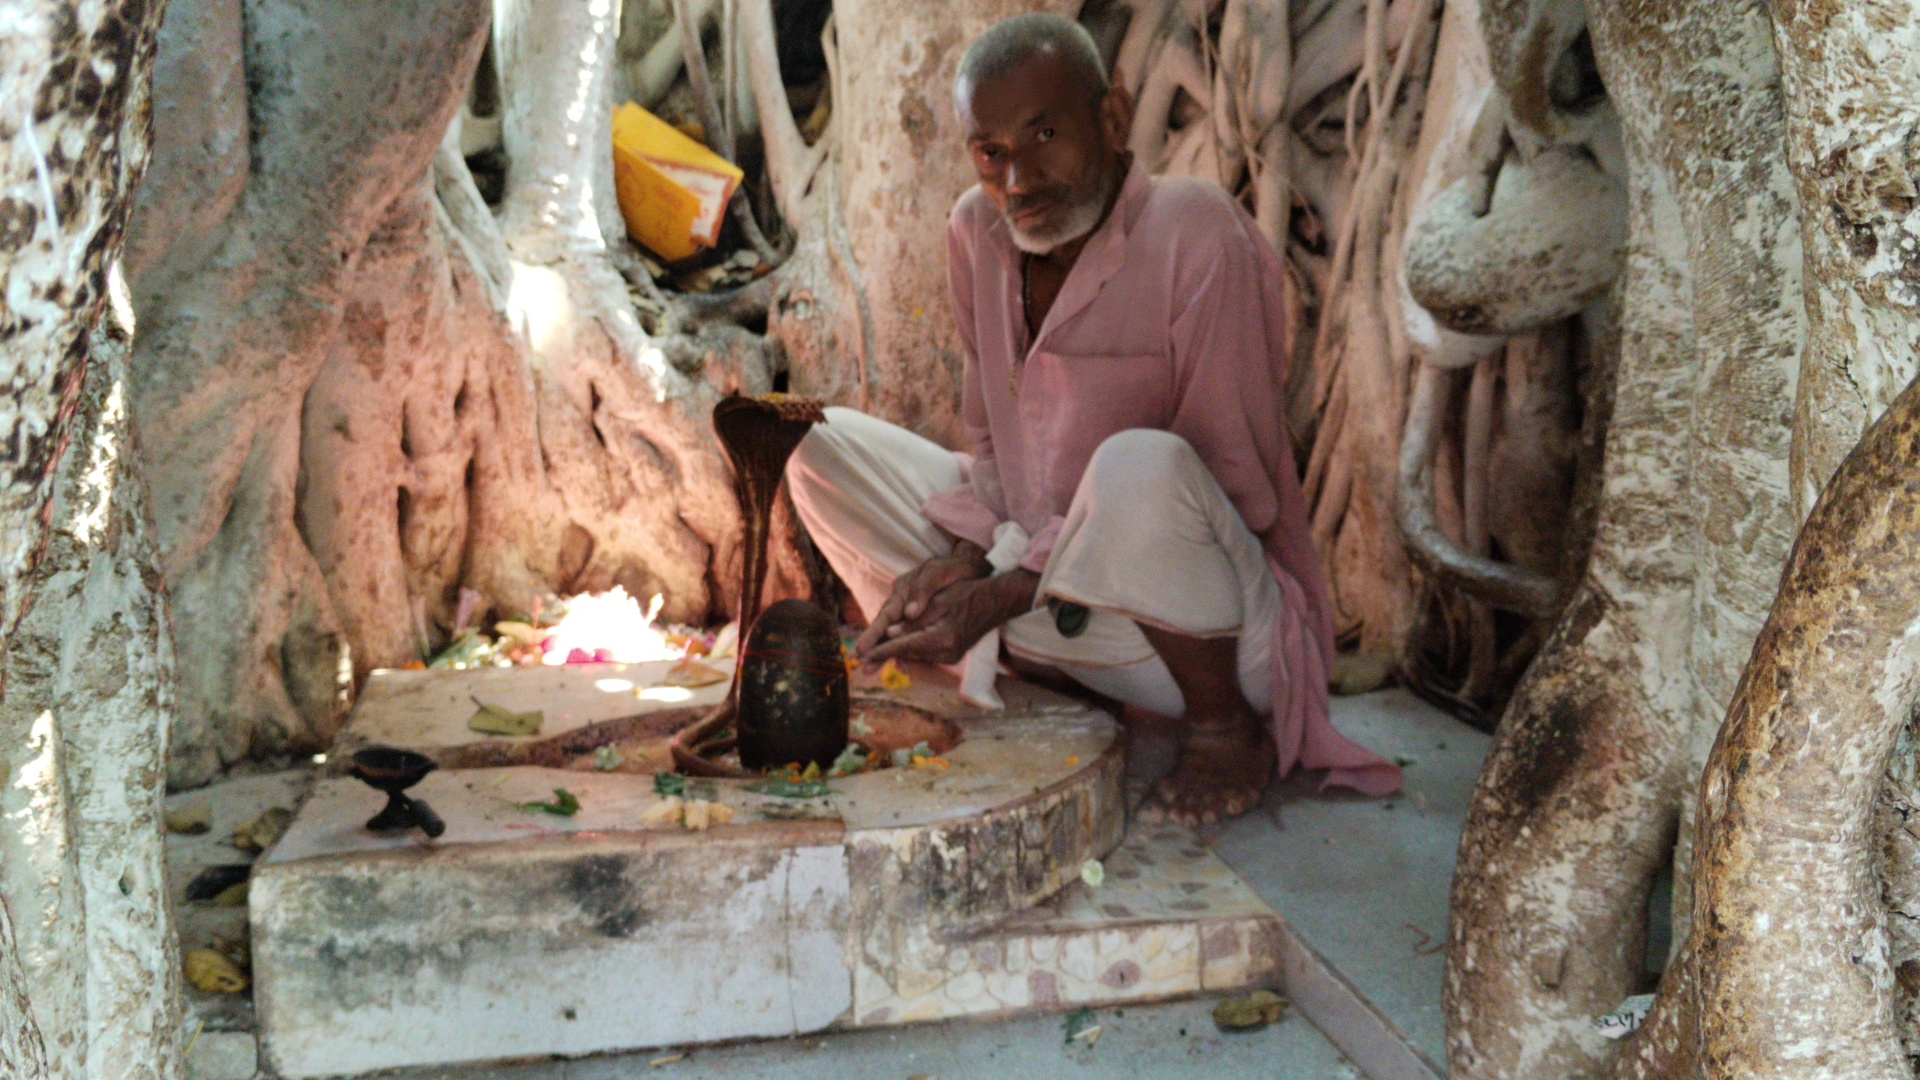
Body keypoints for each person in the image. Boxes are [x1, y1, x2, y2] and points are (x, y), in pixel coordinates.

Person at [785, 13, 1400, 824]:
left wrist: (1005, 591)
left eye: (1044, 134)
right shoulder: (976, 230)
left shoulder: (1195, 229)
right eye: (992, 150)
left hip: (1199, 638)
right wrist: (968, 560)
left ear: (1112, 118)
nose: (1018, 180)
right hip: (1046, 605)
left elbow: (1233, 485)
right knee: (812, 443)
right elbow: (989, 439)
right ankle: (1022, 658)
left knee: (1138, 467)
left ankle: (1222, 730)